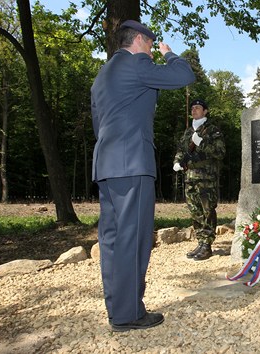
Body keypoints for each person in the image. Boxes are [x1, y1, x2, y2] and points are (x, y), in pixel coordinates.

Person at [91, 19, 195, 332]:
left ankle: (119, 309)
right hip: (132, 164)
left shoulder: (102, 75)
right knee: (133, 240)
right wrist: (170, 54)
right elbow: (184, 74)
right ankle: (128, 315)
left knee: (112, 241)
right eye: (150, 44)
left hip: (108, 165)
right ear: (138, 40)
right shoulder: (136, 63)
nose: (151, 50)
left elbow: (100, 124)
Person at [173, 99, 225, 261]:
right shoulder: (188, 132)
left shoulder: (212, 130)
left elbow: (220, 152)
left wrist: (201, 143)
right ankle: (201, 241)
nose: (194, 110)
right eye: (193, 108)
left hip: (206, 178)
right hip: (190, 177)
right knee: (195, 211)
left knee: (207, 210)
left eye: (198, 107)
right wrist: (177, 162)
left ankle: (207, 245)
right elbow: (181, 150)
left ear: (205, 111)